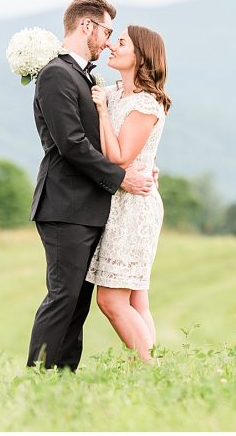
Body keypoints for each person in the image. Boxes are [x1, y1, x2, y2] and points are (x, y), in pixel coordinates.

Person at [26, 0, 158, 371]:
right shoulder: (56, 74)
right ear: (87, 26)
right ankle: (39, 376)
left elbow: (115, 134)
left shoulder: (86, 76)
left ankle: (63, 377)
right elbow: (71, 144)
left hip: (88, 207)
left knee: (78, 302)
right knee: (63, 297)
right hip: (64, 206)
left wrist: (143, 165)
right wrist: (121, 179)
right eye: (107, 31)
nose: (108, 40)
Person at [87, 25, 171, 361]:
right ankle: (156, 374)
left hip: (134, 207)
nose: (110, 45)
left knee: (111, 299)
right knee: (136, 299)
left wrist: (103, 113)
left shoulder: (147, 104)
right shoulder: (113, 91)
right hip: (118, 201)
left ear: (139, 56)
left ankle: (151, 368)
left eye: (120, 42)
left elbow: (120, 156)